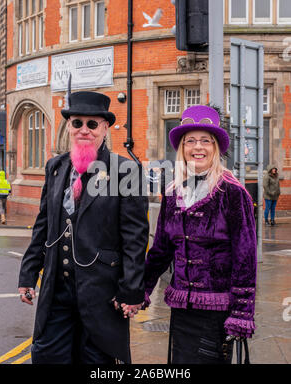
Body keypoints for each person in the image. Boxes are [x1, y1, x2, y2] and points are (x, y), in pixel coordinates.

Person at [18, 86, 149, 364]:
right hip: (58, 292)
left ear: (104, 129)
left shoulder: (125, 171)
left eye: (92, 124)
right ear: (69, 126)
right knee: (49, 357)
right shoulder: (55, 166)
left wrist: (131, 290)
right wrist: (28, 273)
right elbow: (43, 224)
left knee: (96, 361)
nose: (84, 130)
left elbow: (135, 237)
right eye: (77, 123)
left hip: (101, 292)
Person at [142, 105, 257, 364]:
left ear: (216, 148)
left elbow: (245, 257)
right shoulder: (172, 193)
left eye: (206, 140)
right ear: (182, 148)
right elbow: (161, 250)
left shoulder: (233, 193)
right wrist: (141, 289)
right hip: (181, 309)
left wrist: (242, 313)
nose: (198, 147)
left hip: (217, 312)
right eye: (190, 141)